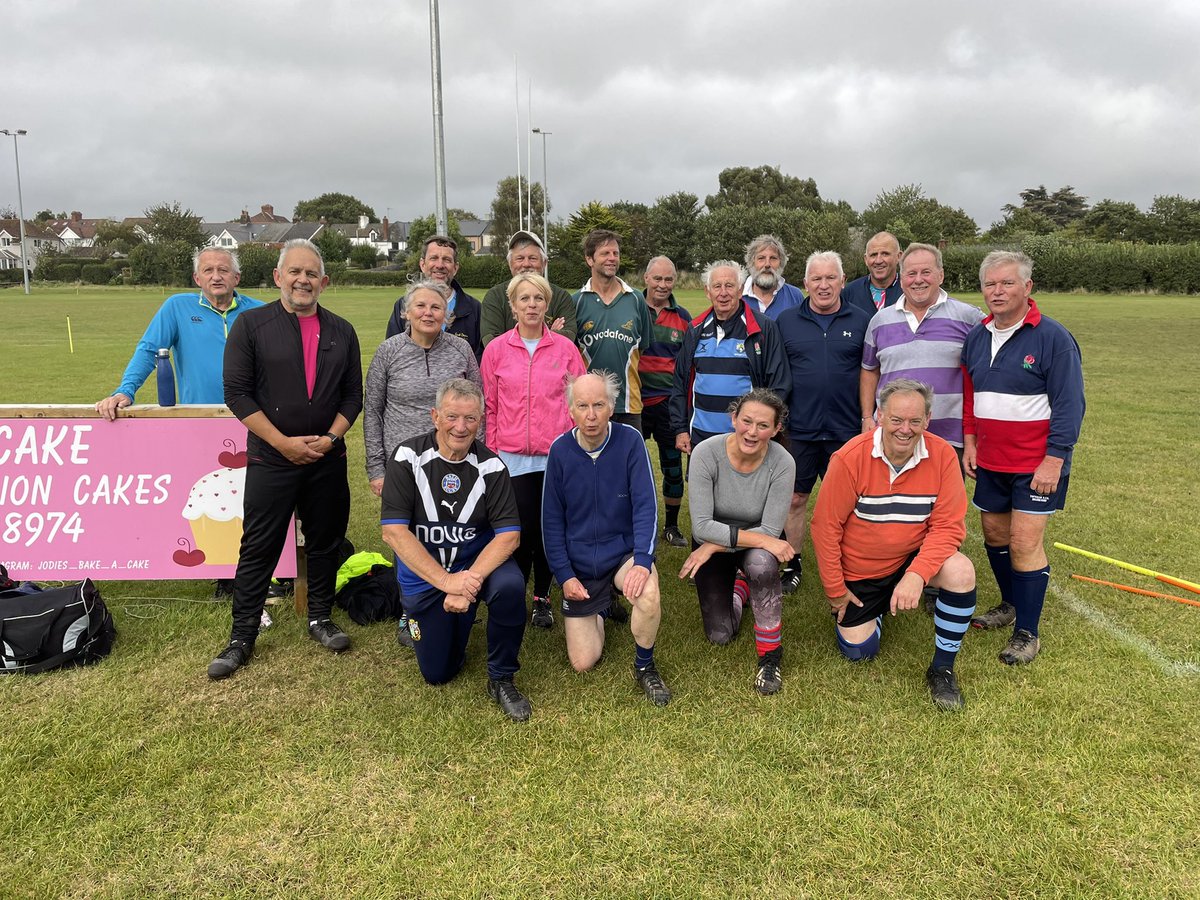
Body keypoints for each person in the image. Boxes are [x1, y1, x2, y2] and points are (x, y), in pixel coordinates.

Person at [208, 239, 362, 679]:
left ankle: (320, 617)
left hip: (326, 459)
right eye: (294, 272)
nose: (303, 280)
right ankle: (241, 636)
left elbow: (354, 395)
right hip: (272, 459)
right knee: (259, 546)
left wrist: (330, 439)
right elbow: (236, 393)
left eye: (312, 273)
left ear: (324, 282)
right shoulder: (252, 325)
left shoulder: (342, 330)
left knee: (326, 540)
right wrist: (283, 443)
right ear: (278, 277)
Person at [94, 247, 263, 598]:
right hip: (202, 424)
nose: (216, 276)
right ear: (196, 278)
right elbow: (148, 349)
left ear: (237, 278)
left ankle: (270, 568)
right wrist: (126, 390)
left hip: (253, 419)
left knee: (258, 497)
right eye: (208, 270)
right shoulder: (177, 307)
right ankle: (225, 576)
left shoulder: (259, 311)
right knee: (216, 501)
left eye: (223, 270)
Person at [811, 379, 977, 710]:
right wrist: (835, 589)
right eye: (897, 420)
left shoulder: (942, 454)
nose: (905, 429)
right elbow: (825, 527)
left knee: (961, 570)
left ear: (927, 420)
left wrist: (917, 575)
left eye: (915, 421)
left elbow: (948, 527)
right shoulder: (849, 458)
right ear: (881, 416)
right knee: (860, 653)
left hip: (911, 559)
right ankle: (881, 609)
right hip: (863, 570)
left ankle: (942, 668)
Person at [380, 379, 532, 721]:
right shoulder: (407, 457)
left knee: (510, 585)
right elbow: (393, 533)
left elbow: (509, 537)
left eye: (471, 419)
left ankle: (501, 677)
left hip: (476, 567)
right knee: (438, 673)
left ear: (481, 420)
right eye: (452, 417)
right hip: (428, 578)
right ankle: (448, 622)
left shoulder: (491, 466)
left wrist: (469, 581)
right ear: (435, 416)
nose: (461, 427)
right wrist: (448, 583)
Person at [962, 251, 1085, 665]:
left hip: (1035, 466)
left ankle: (1027, 633)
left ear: (1027, 287)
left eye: (1007, 283)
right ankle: (1011, 604)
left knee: (1024, 542)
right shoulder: (977, 336)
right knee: (995, 536)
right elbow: (971, 395)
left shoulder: (1053, 338)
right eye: (990, 284)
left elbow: (1069, 404)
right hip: (991, 461)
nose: (997, 291)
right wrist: (971, 440)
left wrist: (1055, 458)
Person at [542, 372, 671, 706]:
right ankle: (599, 608)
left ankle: (645, 666)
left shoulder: (630, 441)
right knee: (583, 662)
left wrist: (643, 562)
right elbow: (551, 523)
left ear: (611, 407)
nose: (591, 415)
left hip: (622, 553)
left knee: (647, 591)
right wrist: (565, 576)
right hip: (580, 563)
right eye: (582, 405)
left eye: (599, 404)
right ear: (570, 409)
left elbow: (646, 506)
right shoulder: (559, 451)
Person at [366, 279, 480, 648]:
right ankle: (409, 608)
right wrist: (377, 467)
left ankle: (452, 593)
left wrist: (479, 456)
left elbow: (480, 405)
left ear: (448, 315)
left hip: (454, 460)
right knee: (406, 535)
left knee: (446, 530)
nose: (429, 313)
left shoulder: (461, 350)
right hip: (403, 464)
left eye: (437, 307)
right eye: (421, 307)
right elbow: (373, 411)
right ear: (406, 313)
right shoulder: (389, 351)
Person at [480, 272, 586, 630]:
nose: (531, 305)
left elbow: (579, 403)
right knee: (517, 531)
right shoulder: (496, 351)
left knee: (548, 530)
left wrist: (572, 448)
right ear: (512, 306)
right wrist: (492, 452)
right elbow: (489, 407)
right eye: (524, 299)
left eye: (538, 299)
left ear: (547, 305)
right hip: (509, 458)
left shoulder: (565, 350)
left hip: (553, 456)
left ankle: (542, 596)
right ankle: (514, 594)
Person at [679, 389, 796, 695]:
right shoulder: (706, 453)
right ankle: (741, 590)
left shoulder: (782, 462)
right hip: (724, 543)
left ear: (776, 429)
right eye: (746, 421)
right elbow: (702, 526)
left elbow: (770, 530)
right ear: (733, 418)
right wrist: (711, 543)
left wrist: (714, 544)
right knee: (720, 635)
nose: (752, 431)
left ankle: (770, 656)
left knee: (760, 562)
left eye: (762, 425)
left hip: (753, 545)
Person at [774, 251, 871, 594]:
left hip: (847, 432)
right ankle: (793, 563)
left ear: (843, 281)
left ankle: (851, 562)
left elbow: (870, 373)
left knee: (851, 503)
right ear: (805, 284)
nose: (824, 285)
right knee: (795, 499)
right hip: (799, 429)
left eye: (831, 278)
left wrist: (867, 417)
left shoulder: (863, 321)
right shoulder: (785, 321)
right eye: (817, 278)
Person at [859, 242, 984, 466]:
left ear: (941, 275)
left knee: (943, 501)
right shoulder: (879, 321)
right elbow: (869, 370)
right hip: (892, 435)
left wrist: (972, 437)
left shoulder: (969, 318)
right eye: (911, 273)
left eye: (926, 272)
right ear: (901, 276)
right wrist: (868, 417)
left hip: (948, 438)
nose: (918, 280)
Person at [671, 260, 790, 453]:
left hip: (746, 439)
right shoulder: (694, 329)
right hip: (701, 439)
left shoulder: (763, 328)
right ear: (707, 292)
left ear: (741, 289)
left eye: (729, 286)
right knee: (702, 484)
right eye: (717, 286)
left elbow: (779, 384)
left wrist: (760, 429)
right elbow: (680, 383)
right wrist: (681, 428)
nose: (723, 293)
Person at [573, 229, 654, 431]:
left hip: (628, 405)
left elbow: (641, 348)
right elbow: (570, 355)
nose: (612, 258)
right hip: (590, 407)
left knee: (627, 462)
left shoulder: (636, 299)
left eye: (615, 253)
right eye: (605, 253)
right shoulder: (576, 301)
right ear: (589, 259)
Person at [636, 255, 692, 548]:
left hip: (669, 403)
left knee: (672, 466)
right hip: (635, 403)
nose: (662, 284)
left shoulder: (683, 318)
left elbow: (687, 365)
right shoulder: (631, 308)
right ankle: (633, 524)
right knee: (629, 467)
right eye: (657, 278)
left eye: (668, 279)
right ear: (646, 278)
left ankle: (671, 526)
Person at [385, 235, 482, 357]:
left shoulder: (474, 309)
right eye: (434, 258)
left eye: (447, 259)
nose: (440, 265)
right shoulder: (403, 305)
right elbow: (392, 352)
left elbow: (478, 359)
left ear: (455, 268)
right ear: (422, 264)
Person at [480, 230, 577, 346]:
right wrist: (551, 334)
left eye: (532, 258)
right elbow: (491, 343)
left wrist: (511, 342)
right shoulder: (495, 297)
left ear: (544, 263)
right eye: (520, 258)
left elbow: (568, 338)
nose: (526, 264)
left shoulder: (561, 297)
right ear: (510, 263)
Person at [740, 234, 805, 321]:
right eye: (761, 258)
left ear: (781, 263)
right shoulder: (737, 297)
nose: (767, 264)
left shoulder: (795, 296)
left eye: (773, 258)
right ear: (751, 262)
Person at [841, 231, 902, 316]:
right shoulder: (849, 293)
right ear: (866, 259)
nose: (878, 261)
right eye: (873, 255)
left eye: (885, 254)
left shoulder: (910, 290)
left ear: (898, 256)